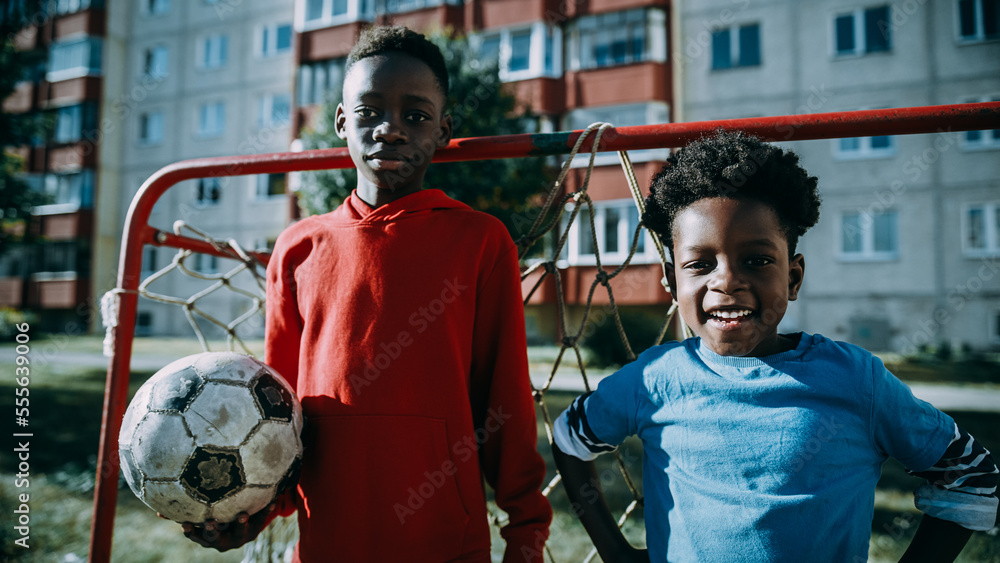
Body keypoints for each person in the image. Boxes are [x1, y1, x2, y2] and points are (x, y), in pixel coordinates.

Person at [180, 25, 552, 561]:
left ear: (444, 129)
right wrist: (256, 509)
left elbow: (507, 400)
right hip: (327, 539)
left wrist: (526, 530)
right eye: (370, 111)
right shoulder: (297, 248)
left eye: (416, 116)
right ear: (340, 122)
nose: (391, 130)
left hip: (446, 541)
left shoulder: (480, 241)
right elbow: (277, 414)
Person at [552, 130, 999, 562]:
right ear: (671, 281)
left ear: (794, 276)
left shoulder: (855, 379)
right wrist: (614, 552)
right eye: (700, 264)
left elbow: (972, 478)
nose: (725, 280)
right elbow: (569, 440)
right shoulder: (653, 378)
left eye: (757, 260)